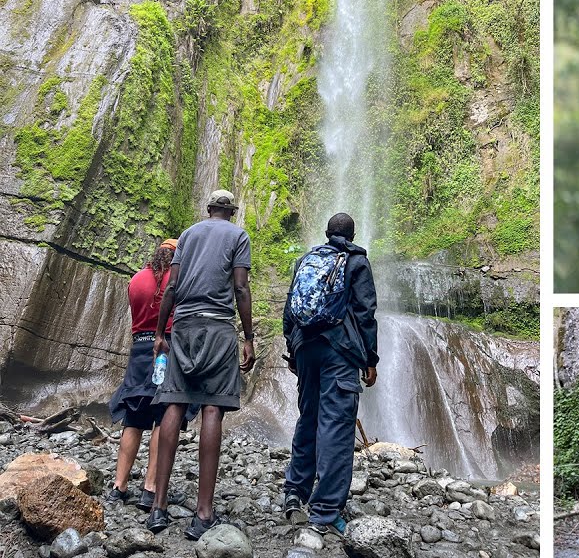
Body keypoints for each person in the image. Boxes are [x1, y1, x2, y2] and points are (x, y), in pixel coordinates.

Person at [146, 190, 256, 539]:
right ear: (231, 212)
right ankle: (203, 514)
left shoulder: (189, 235)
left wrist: (162, 332)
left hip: (185, 326)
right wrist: (248, 337)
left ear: (209, 209)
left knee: (173, 405)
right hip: (219, 328)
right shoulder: (239, 236)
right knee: (212, 410)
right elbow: (240, 288)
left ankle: (158, 507)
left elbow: (172, 287)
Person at [281, 212, 379, 536]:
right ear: (352, 235)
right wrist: (371, 358)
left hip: (305, 348)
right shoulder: (356, 262)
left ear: (326, 233)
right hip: (339, 351)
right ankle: (324, 512)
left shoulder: (307, 259)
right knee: (336, 426)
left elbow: (290, 309)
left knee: (308, 419)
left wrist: (293, 349)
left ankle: (295, 494)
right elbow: (365, 313)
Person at [107, 239, 186, 510]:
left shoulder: (136, 279)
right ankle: (150, 488)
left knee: (133, 418)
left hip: (139, 350)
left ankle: (119, 486)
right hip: (166, 347)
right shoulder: (176, 279)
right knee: (162, 417)